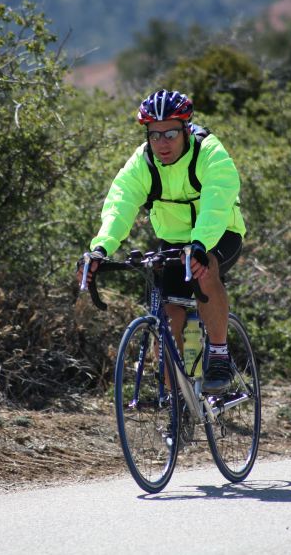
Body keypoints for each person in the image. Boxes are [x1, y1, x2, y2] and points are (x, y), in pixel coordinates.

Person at [79, 89, 246, 393]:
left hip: (220, 232)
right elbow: (121, 203)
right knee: (168, 319)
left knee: (204, 268)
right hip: (172, 240)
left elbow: (217, 202)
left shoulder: (208, 152)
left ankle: (219, 355)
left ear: (185, 129)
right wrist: (101, 248)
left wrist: (200, 245)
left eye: (170, 133)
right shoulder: (143, 162)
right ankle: (175, 403)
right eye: (154, 135)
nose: (162, 143)